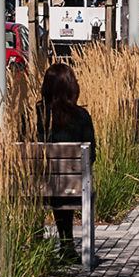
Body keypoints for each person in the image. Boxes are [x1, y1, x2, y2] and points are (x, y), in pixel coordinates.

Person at [35, 62, 95, 261]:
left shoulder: (35, 114)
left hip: (35, 189)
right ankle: (67, 245)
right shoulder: (81, 117)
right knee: (65, 186)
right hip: (74, 189)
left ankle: (37, 248)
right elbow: (91, 155)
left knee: (51, 184)